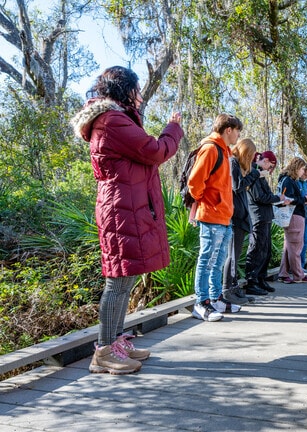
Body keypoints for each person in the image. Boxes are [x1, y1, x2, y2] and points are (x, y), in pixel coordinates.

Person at [71, 66, 183, 374]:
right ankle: (104, 351)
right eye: (137, 89)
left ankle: (116, 341)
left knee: (126, 278)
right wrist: (173, 128)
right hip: (121, 210)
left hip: (127, 207)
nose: (141, 95)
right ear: (124, 91)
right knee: (118, 282)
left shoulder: (115, 118)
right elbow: (155, 151)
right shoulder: (112, 121)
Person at [188, 113, 243, 322]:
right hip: (211, 216)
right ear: (228, 129)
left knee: (218, 261)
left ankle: (215, 298)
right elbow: (194, 183)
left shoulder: (225, 151)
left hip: (224, 217)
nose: (238, 135)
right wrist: (210, 202)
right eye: (238, 130)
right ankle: (200, 303)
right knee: (207, 260)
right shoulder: (211, 149)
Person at [223, 138, 272, 300]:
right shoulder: (233, 162)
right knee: (232, 255)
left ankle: (234, 286)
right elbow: (237, 186)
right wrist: (256, 173)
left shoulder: (241, 166)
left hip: (242, 216)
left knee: (236, 255)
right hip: (235, 215)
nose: (252, 159)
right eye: (250, 155)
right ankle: (227, 289)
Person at [245, 151, 290, 292]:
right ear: (265, 161)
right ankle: (252, 281)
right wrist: (278, 199)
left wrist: (278, 199)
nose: (270, 171)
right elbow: (259, 197)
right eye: (270, 167)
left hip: (266, 216)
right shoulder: (253, 173)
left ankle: (261, 278)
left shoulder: (261, 175)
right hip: (257, 216)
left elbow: (267, 195)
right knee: (256, 249)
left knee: (266, 250)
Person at [277, 157, 307, 284]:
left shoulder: (291, 180)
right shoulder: (288, 180)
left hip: (297, 214)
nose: (303, 172)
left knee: (289, 246)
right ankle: (298, 274)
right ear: (297, 167)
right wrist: (305, 199)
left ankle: (283, 273)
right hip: (294, 215)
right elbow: (289, 198)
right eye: (302, 169)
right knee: (296, 246)